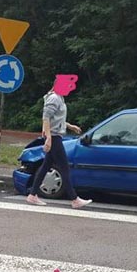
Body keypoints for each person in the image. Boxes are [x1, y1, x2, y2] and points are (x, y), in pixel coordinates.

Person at [26, 75, 92, 208]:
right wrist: (48, 138)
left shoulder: (59, 98)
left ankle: (32, 195)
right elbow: (46, 119)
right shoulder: (54, 98)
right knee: (64, 168)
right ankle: (74, 199)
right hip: (54, 137)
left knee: (45, 166)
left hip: (55, 135)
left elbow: (57, 118)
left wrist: (70, 126)